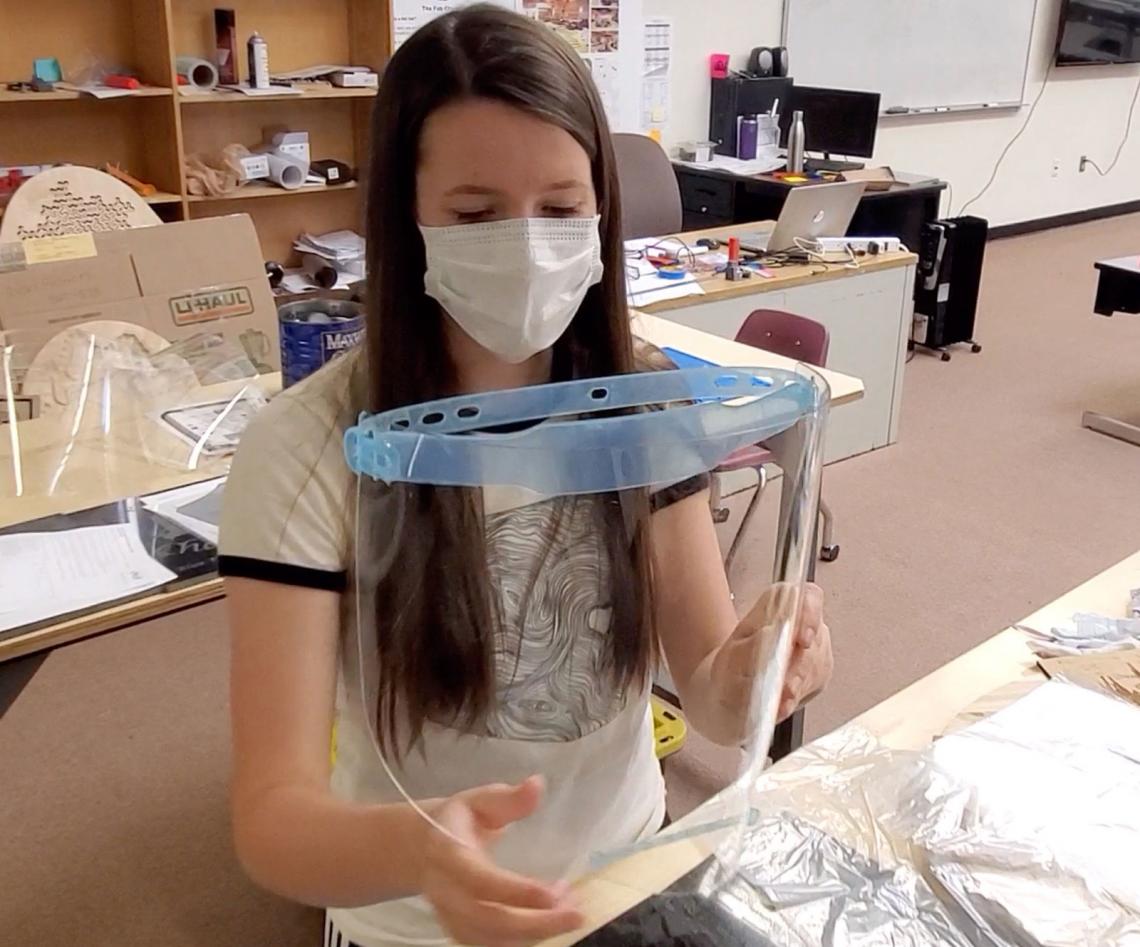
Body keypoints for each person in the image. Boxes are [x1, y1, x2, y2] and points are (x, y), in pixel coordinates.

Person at [219, 6, 833, 946]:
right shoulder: (307, 450)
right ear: (405, 215)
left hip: (628, 879)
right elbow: (273, 823)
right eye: (475, 214)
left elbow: (707, 694)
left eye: (560, 208)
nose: (530, 245)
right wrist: (421, 853)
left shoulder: (643, 398)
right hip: (419, 925)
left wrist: (754, 670)